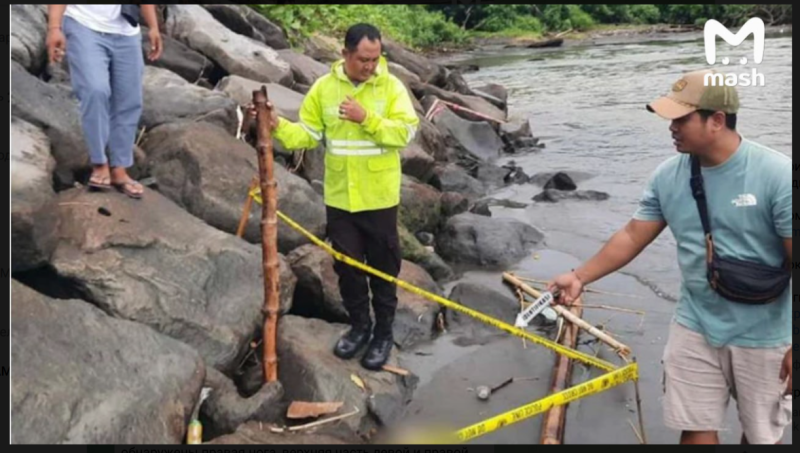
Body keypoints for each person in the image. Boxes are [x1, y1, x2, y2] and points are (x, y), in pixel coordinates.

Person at [548, 69, 792, 444]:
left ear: (717, 120)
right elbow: (632, 235)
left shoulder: (778, 175)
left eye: (681, 118)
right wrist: (579, 276)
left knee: (761, 437)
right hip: (696, 323)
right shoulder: (668, 176)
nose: (671, 127)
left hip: (767, 334)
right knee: (693, 427)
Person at [258, 23, 419, 370]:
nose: (370, 66)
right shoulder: (324, 89)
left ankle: (384, 334)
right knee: (347, 269)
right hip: (341, 200)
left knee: (384, 270)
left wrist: (368, 120)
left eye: (375, 59)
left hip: (379, 199)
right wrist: (277, 126)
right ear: (345, 54)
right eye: (363, 59)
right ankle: (360, 327)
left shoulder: (390, 87)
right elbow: (308, 134)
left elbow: (404, 134)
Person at [46, 4, 163, 198]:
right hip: (83, 25)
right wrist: (54, 28)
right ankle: (99, 163)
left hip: (126, 32)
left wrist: (153, 27)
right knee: (95, 90)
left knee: (129, 100)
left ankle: (119, 169)